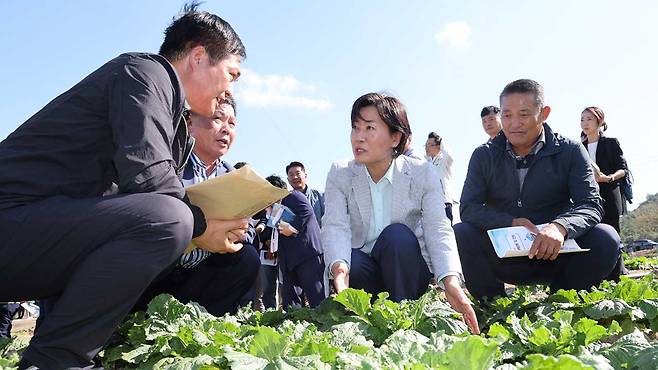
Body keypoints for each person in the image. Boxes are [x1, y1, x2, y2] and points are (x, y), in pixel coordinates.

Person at [0, 4, 248, 368]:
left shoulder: (178, 125)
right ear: (198, 57)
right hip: (12, 220)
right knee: (169, 219)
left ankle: (106, 347)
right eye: (232, 74)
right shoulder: (144, 72)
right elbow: (150, 178)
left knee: (230, 256)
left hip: (42, 237)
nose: (229, 91)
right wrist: (202, 225)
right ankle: (58, 359)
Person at [322, 92, 479, 334]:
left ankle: (404, 319)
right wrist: (339, 269)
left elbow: (438, 228)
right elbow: (335, 225)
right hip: (364, 272)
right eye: (355, 128)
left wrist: (450, 281)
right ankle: (366, 320)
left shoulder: (422, 173)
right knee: (352, 258)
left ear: (395, 138)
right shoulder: (340, 173)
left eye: (369, 128)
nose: (358, 137)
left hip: (406, 268)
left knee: (397, 236)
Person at [455, 79, 622, 302]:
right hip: (505, 256)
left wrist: (561, 227)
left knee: (606, 238)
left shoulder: (570, 150)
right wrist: (510, 222)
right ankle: (492, 305)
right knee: (461, 232)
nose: (514, 123)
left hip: (556, 253)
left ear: (544, 113)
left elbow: (590, 204)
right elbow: (469, 208)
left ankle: (561, 300)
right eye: (507, 115)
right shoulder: (483, 155)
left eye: (524, 114)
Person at [135, 98, 260, 316]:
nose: (225, 129)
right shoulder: (167, 164)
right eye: (217, 119)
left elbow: (247, 229)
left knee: (247, 257)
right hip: (161, 266)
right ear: (190, 123)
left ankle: (208, 323)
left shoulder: (236, 178)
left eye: (232, 124)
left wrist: (238, 232)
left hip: (204, 267)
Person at [268, 175, 325, 308]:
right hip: (289, 260)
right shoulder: (275, 206)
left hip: (307, 254)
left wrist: (292, 228)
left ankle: (324, 326)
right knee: (290, 301)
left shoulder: (293, 196)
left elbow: (307, 213)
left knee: (316, 296)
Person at [580, 107, 628, 232]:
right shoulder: (579, 148)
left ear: (599, 122)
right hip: (588, 195)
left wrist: (609, 178)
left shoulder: (610, 143)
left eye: (589, 119)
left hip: (610, 191)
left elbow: (623, 169)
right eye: (582, 120)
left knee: (612, 230)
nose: (585, 123)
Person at [424, 132, 456, 223]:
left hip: (444, 202)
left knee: (446, 231)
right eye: (426, 145)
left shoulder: (444, 160)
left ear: (439, 146)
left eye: (430, 145)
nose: (427, 148)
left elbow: (449, 155)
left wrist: (441, 141)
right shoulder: (424, 162)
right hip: (429, 204)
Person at [286, 161, 325, 227]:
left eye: (298, 173)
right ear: (288, 180)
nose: (295, 177)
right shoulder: (286, 200)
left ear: (305, 176)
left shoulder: (320, 196)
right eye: (291, 175)